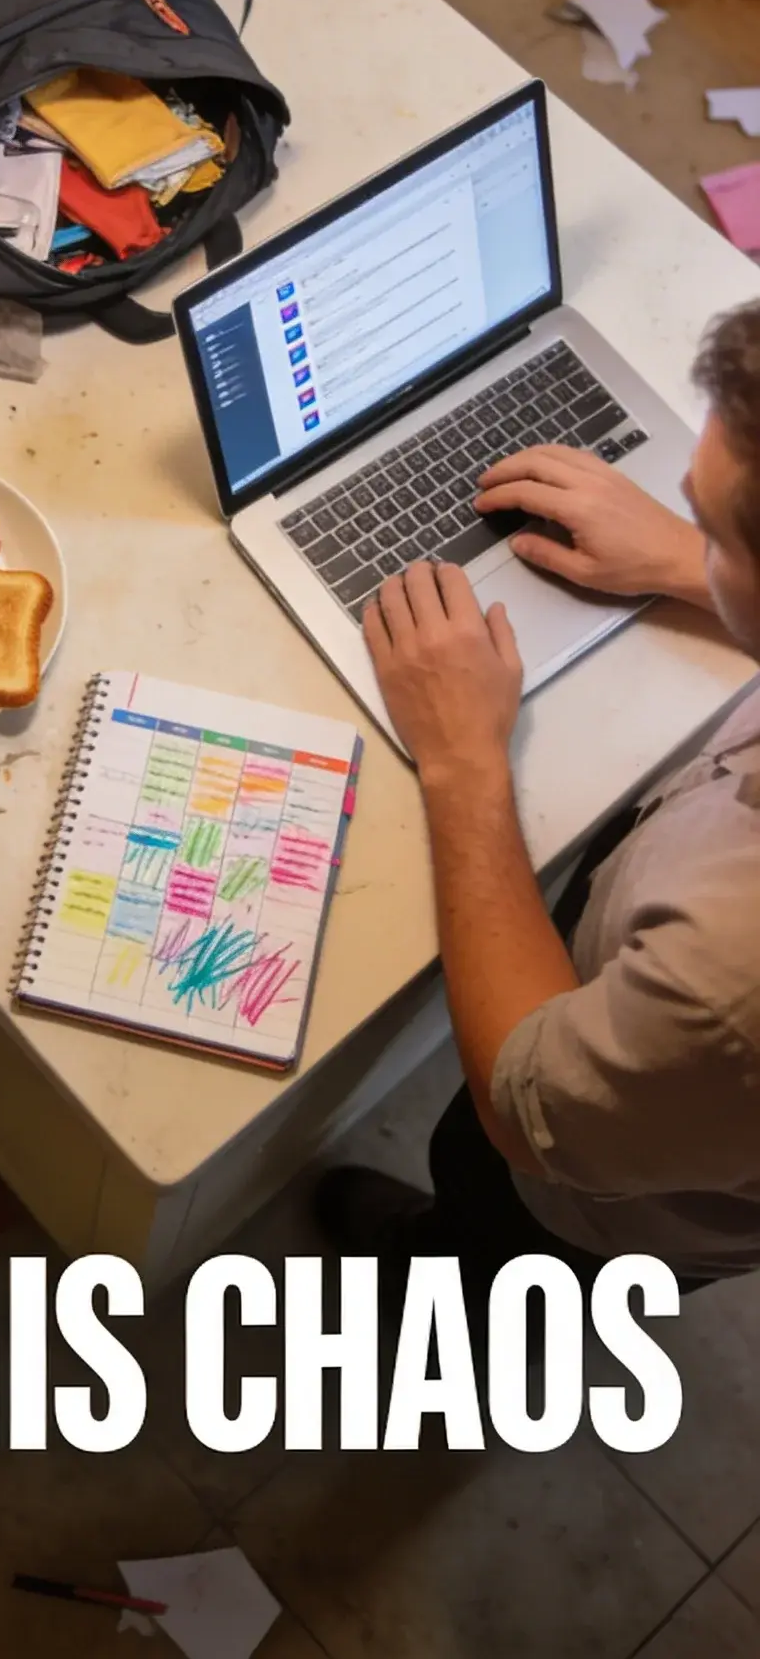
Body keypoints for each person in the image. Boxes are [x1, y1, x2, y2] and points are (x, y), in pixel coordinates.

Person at [315, 297, 760, 1295]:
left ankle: (456, 1325)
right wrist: (695, 562)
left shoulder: (731, 982)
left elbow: (526, 1107)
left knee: (489, 1228)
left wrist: (465, 759)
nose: (677, 497)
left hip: (604, 1214)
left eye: (711, 521)